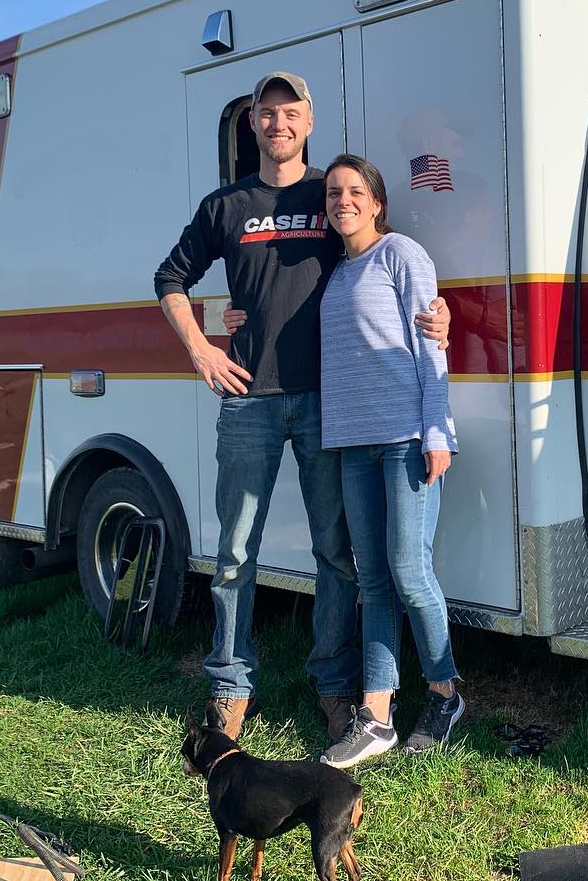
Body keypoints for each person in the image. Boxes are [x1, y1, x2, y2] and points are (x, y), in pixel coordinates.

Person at [153, 73, 450, 746]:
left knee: (336, 556)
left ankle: (335, 686)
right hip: (248, 401)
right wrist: (201, 346)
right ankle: (230, 684)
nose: (277, 123)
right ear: (252, 123)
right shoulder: (224, 206)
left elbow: (378, 263)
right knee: (233, 555)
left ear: (309, 121)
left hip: (328, 406)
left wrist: (437, 315)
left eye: (290, 112)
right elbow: (169, 280)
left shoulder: (330, 197)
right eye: (267, 112)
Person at [312, 153, 463, 769]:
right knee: (371, 579)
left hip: (405, 437)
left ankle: (446, 691)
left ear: (376, 201)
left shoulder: (401, 254)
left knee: (409, 571)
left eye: (353, 192)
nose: (341, 202)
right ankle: (376, 717)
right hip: (352, 443)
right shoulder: (336, 273)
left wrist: (436, 431)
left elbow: (431, 347)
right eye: (331, 194)